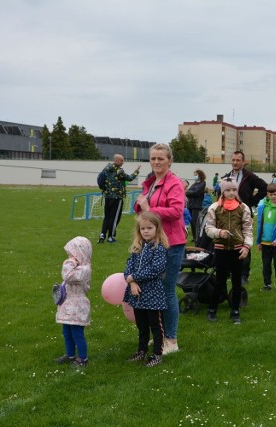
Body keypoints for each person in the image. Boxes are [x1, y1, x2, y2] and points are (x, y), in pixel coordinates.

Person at [135, 143, 186, 354]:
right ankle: (159, 335)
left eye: (160, 159)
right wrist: (140, 206)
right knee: (153, 290)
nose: (156, 162)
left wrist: (149, 209)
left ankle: (171, 340)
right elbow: (142, 207)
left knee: (166, 291)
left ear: (169, 161)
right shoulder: (151, 182)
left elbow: (176, 211)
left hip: (172, 243)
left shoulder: (174, 183)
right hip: (153, 243)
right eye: (153, 158)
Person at [204, 178, 253, 323]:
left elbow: (248, 229)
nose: (231, 193)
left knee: (237, 282)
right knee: (220, 281)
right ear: (222, 191)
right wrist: (219, 233)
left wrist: (246, 247)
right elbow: (208, 228)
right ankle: (212, 309)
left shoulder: (243, 208)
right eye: (228, 190)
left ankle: (235, 310)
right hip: (221, 249)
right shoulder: (214, 208)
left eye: (234, 190)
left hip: (238, 250)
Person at [123, 212, 169, 367]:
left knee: (155, 325)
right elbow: (128, 268)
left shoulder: (159, 248)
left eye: (149, 228)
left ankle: (157, 354)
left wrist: (133, 278)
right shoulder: (137, 248)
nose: (146, 231)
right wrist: (132, 282)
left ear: (157, 228)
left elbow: (155, 270)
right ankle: (141, 351)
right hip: (137, 295)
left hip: (152, 294)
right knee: (141, 325)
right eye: (143, 228)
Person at [223, 151, 267, 285]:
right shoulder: (227, 177)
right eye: (233, 160)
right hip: (227, 215)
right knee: (229, 242)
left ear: (243, 162)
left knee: (244, 243)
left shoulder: (249, 177)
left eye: (238, 160)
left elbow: (264, 188)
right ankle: (230, 271)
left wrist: (251, 201)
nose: (235, 162)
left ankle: (244, 274)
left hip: (244, 215)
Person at [54, 236, 92, 367]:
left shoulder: (84, 269)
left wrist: (69, 263)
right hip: (68, 304)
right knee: (67, 331)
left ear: (80, 254)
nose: (69, 257)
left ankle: (83, 358)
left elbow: (67, 276)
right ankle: (69, 354)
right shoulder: (77, 267)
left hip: (77, 306)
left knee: (77, 333)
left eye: (72, 254)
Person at [99, 154, 141, 243]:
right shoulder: (119, 171)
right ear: (116, 161)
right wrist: (137, 170)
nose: (123, 162)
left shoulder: (106, 168)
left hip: (107, 196)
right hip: (117, 197)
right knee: (115, 218)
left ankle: (102, 235)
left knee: (107, 217)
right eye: (121, 160)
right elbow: (130, 178)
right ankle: (111, 237)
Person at [185, 169, 207, 242]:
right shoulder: (194, 184)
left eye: (196, 174)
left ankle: (198, 237)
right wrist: (189, 192)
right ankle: (195, 238)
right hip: (190, 205)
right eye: (194, 175)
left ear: (200, 175)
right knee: (191, 222)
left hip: (196, 205)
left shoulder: (203, 183)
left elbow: (196, 192)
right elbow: (190, 192)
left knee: (195, 222)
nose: (194, 176)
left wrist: (188, 192)